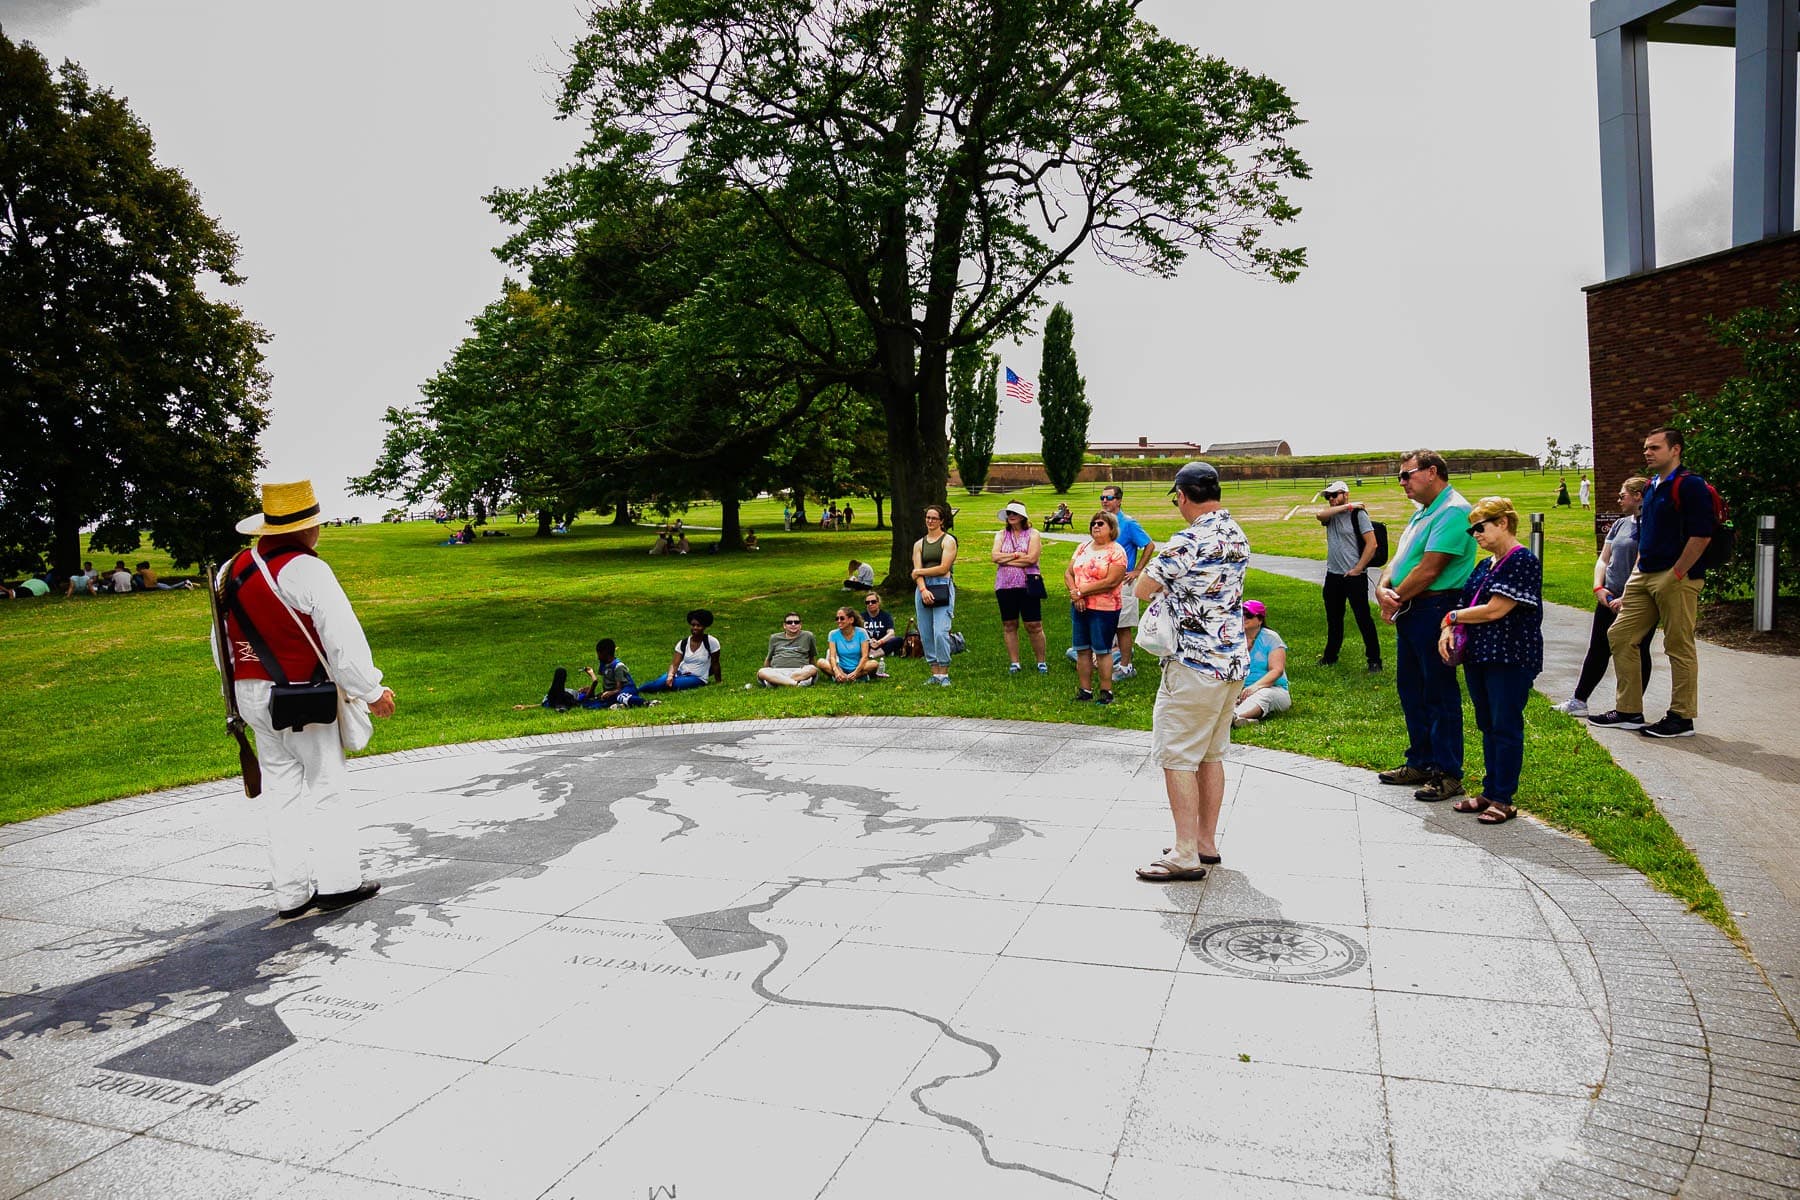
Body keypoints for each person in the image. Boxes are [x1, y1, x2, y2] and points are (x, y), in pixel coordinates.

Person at [213, 480, 394, 920]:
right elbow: (342, 639)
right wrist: (371, 690)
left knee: (280, 793)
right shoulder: (309, 570)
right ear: (304, 528)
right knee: (328, 788)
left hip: (251, 693)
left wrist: (233, 692)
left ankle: (291, 895)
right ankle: (338, 884)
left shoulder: (231, 569)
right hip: (303, 694)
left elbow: (220, 641)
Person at [1132, 462, 1249, 882]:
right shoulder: (1235, 533)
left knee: (1178, 755)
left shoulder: (1189, 539)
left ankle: (1184, 853)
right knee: (1211, 755)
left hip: (1194, 663)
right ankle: (1204, 841)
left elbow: (1142, 587)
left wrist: (1170, 587)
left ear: (1182, 496)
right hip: (1231, 660)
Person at [1591, 426, 1715, 738]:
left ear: (1675, 450)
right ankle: (1629, 711)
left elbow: (1702, 535)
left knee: (1678, 645)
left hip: (1676, 576)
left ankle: (1681, 718)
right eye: (1646, 447)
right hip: (1643, 574)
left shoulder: (1690, 485)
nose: (1647, 452)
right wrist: (1637, 572)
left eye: (1655, 447)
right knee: (1620, 634)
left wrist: (1677, 573)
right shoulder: (1651, 486)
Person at [1375, 450, 1478, 803]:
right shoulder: (1423, 512)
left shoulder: (1454, 511)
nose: (1401, 482)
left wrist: (1395, 598)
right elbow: (1400, 560)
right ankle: (1420, 760)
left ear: (1432, 472)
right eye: (1399, 476)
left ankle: (1447, 772)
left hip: (1435, 608)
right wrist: (1383, 588)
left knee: (1438, 692)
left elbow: (1431, 568)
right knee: (1412, 689)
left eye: (1407, 475)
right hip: (1412, 608)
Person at [1438, 497, 1543, 825]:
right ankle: (1490, 790)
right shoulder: (1485, 565)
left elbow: (1496, 609)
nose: (1475, 535)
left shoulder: (1522, 560)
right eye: (1471, 530)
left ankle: (1503, 799)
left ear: (1503, 523)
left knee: (1505, 726)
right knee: (1487, 725)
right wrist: (1448, 627)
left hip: (1510, 657)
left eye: (1480, 527)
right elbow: (1464, 604)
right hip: (1480, 656)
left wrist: (1451, 617)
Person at [1554, 478, 1653, 716]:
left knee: (1638, 650)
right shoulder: (1620, 524)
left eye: (1622, 496)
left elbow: (1642, 562)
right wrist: (1598, 587)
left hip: (1638, 600)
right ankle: (1579, 701)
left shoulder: (1651, 525)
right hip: (1608, 596)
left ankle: (1630, 708)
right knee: (1598, 649)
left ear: (1638, 496)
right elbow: (1604, 558)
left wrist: (1627, 596)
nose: (1619, 500)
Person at [1314, 480, 1382, 671]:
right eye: (1328, 496)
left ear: (1345, 494)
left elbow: (1372, 544)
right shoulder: (1332, 515)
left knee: (1363, 618)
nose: (1331, 499)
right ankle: (1330, 656)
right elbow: (1319, 515)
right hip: (1333, 576)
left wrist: (1358, 568)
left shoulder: (1358, 515)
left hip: (1354, 576)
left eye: (1335, 495)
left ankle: (1374, 660)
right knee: (1334, 619)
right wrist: (1347, 506)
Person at [1066, 509, 1127, 704]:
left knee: (1102, 650)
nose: (1096, 526)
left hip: (1104, 608)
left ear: (1112, 528)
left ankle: (1106, 691)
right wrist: (1076, 594)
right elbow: (1069, 573)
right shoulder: (1082, 547)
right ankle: (1085, 690)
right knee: (1082, 649)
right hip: (1080, 605)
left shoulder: (1116, 551)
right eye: (1093, 523)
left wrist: (1082, 591)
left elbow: (1111, 581)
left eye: (1101, 523)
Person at [1100, 486, 1156, 679]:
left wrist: (1138, 570)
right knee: (1105, 622)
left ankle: (1126, 667)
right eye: (1102, 497)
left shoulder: (1129, 523)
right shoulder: (1102, 522)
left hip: (1123, 582)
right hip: (1104, 582)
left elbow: (1149, 545)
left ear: (1119, 500)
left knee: (1122, 626)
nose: (1104, 501)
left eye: (1109, 498)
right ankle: (1108, 658)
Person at [991, 501, 1049, 674]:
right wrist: (1016, 555)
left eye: (1014, 513)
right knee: (1009, 623)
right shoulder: (1001, 534)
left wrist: (1006, 559)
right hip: (1005, 585)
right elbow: (995, 557)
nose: (1011, 516)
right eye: (1008, 513)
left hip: (1028, 583)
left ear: (1023, 516)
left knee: (1034, 624)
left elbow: (1031, 559)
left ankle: (1041, 662)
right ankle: (1014, 662)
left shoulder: (1033, 534)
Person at [911, 503, 958, 687]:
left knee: (940, 631)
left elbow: (944, 568)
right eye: (928, 518)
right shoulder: (919, 544)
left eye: (934, 518)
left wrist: (919, 572)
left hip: (942, 586)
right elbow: (917, 569)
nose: (930, 521)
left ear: (941, 521)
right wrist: (923, 589)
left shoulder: (948, 541)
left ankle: (944, 672)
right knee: (926, 632)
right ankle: (935, 672)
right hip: (923, 588)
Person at [1233, 600, 1291, 727]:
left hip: (1273, 689)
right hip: (1240, 691)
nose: (1244, 617)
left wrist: (1255, 687)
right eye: (1241, 614)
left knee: (1264, 695)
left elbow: (1277, 670)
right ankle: (1241, 720)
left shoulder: (1271, 638)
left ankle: (1234, 717)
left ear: (1260, 620)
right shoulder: (1234, 638)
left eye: (1249, 615)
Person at [640, 610, 722, 693]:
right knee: (659, 682)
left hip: (697, 677)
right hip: (679, 672)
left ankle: (637, 691)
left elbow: (715, 663)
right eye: (693, 625)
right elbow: (674, 664)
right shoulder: (683, 643)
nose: (695, 628)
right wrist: (670, 675)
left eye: (698, 625)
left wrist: (718, 681)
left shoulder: (711, 642)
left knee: (669, 685)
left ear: (704, 627)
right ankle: (636, 690)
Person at [753, 612, 820, 687]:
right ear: (784, 625)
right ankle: (794, 683)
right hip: (777, 672)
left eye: (796, 622)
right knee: (762, 672)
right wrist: (767, 670)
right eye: (789, 622)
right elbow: (769, 658)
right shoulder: (774, 638)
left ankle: (780, 682)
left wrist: (814, 672)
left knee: (812, 669)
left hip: (800, 672)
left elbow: (811, 657)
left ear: (800, 625)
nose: (793, 624)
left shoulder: (808, 636)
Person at [579, 638, 647, 708]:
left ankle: (645, 703)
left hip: (625, 690)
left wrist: (610, 693)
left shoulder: (618, 666)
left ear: (605, 653)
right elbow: (607, 682)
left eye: (599, 654)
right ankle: (623, 705)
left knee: (620, 696)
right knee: (593, 702)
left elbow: (619, 688)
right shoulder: (603, 663)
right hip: (614, 691)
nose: (598, 657)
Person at [819, 606, 881, 681]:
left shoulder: (862, 632)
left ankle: (851, 677)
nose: (839, 621)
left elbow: (865, 657)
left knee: (874, 664)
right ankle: (842, 676)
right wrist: (836, 671)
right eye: (837, 618)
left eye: (842, 618)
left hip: (859, 667)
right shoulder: (833, 634)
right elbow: (832, 657)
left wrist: (856, 672)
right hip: (841, 667)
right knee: (821, 662)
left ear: (851, 620)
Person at [859, 592, 901, 676]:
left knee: (898, 640)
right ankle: (880, 653)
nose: (870, 604)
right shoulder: (861, 617)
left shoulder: (885, 616)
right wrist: (869, 641)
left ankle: (873, 655)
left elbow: (891, 633)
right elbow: (857, 633)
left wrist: (880, 642)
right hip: (867, 644)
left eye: (873, 602)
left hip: (882, 643)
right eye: (867, 602)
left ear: (878, 603)